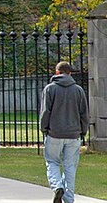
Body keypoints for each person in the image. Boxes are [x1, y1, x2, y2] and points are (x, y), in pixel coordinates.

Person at [40, 61, 89, 203]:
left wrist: (44, 129)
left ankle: (57, 187)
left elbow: (45, 112)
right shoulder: (78, 90)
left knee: (52, 161)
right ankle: (68, 198)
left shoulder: (50, 89)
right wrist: (83, 131)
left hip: (54, 133)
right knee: (70, 166)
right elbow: (84, 114)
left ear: (57, 72)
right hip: (73, 134)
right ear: (70, 73)